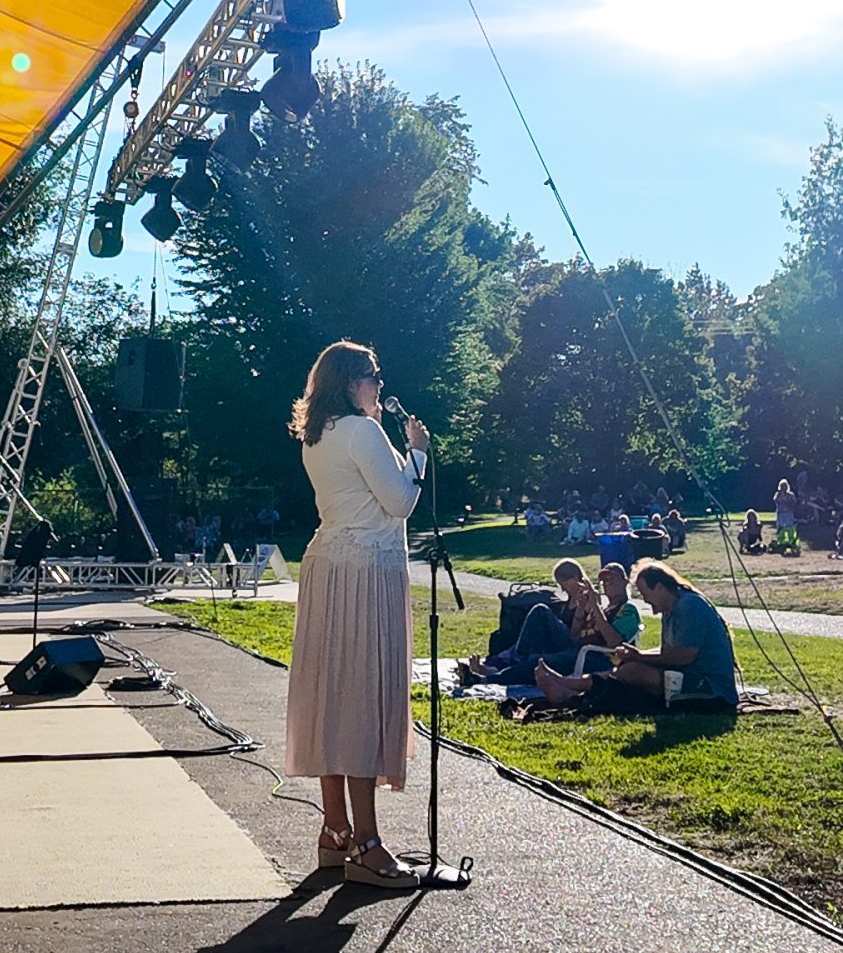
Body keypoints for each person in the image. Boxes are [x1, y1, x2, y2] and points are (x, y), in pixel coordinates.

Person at [284, 341, 428, 890]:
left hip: (328, 567)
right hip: (367, 572)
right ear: (350, 382)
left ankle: (335, 830)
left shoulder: (319, 435)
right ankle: (367, 843)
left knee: (333, 696)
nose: (379, 386)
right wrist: (417, 453)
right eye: (373, 376)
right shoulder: (364, 432)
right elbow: (399, 502)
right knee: (363, 697)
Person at [536, 560, 736, 712]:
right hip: (685, 675)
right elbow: (668, 653)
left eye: (645, 594)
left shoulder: (690, 606)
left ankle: (572, 694)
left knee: (632, 672)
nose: (646, 601)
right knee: (626, 669)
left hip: (709, 687)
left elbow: (684, 656)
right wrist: (635, 655)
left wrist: (638, 656)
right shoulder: (671, 610)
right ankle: (570, 687)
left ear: (659, 587)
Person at [467, 560, 641, 686]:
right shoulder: (604, 608)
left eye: (612, 580)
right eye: (604, 581)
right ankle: (491, 674)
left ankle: (487, 678)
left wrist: (594, 607)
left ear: (625, 582)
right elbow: (574, 636)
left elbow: (615, 642)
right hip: (580, 650)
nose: (607, 584)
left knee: (539, 661)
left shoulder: (628, 609)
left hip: (599, 658)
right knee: (537, 659)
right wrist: (581, 610)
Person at [773, 478, 799, 554]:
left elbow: (794, 503)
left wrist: (787, 503)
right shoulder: (778, 494)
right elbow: (775, 501)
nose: (783, 487)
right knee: (781, 528)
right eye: (782, 485)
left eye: (784, 485)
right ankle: (781, 543)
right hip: (780, 513)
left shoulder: (790, 495)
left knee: (789, 527)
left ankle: (791, 542)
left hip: (788, 513)